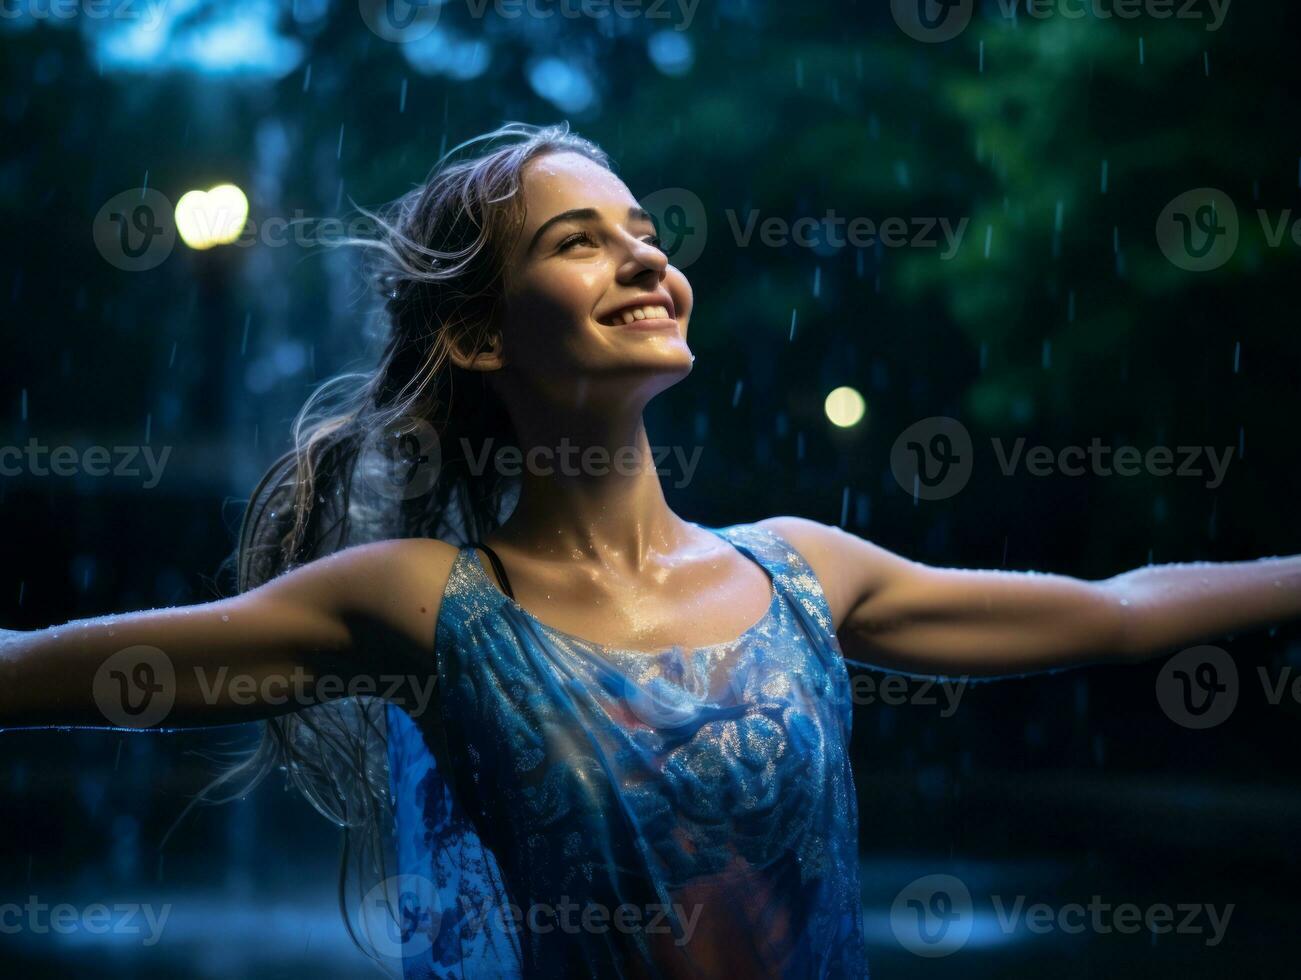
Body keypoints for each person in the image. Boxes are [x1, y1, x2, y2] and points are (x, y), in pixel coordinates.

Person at [2, 122, 1298, 979]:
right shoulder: (423, 604)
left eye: (644, 234)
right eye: (579, 242)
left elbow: (1117, 609)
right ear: (479, 336)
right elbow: (32, 668)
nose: (642, 259)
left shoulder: (798, 569)